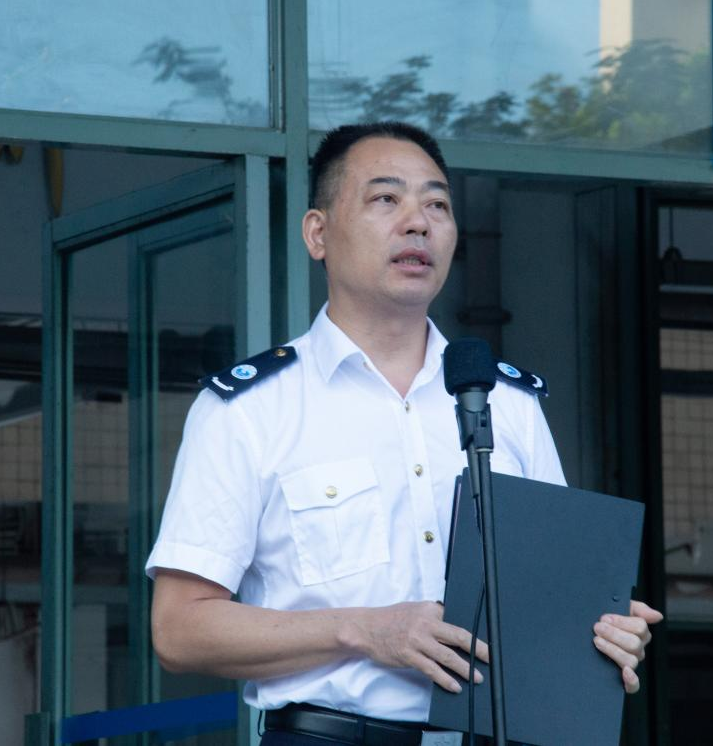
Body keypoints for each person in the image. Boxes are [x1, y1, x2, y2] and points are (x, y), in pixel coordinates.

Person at [146, 121, 663, 745]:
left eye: (437, 205)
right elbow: (178, 631)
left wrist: (606, 632)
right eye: (386, 199)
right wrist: (364, 631)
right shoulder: (250, 409)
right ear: (317, 233)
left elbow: (552, 599)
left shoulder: (509, 403)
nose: (418, 223)